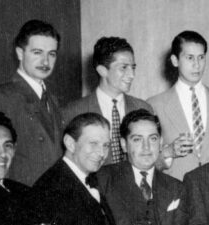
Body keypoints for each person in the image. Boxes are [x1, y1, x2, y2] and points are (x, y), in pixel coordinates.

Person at [0, 20, 64, 184]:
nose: (45, 62)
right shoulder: (3, 97)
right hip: (22, 199)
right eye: (37, 52)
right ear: (20, 53)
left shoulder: (52, 99)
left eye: (51, 54)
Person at [148, 30, 209, 180]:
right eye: (189, 58)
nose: (197, 64)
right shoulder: (154, 105)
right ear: (175, 60)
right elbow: (145, 162)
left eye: (201, 57)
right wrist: (169, 152)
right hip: (176, 188)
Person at [63, 36, 151, 166]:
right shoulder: (74, 111)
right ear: (102, 70)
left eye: (133, 67)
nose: (132, 74)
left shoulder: (143, 108)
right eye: (124, 68)